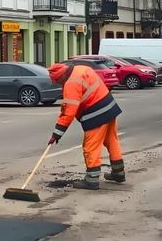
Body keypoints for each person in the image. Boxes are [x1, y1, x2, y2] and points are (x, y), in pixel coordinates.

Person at [47, 62, 125, 190]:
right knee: (111, 140)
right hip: (110, 106)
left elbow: (69, 112)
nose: (57, 84)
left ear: (61, 77)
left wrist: (57, 133)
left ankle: (91, 180)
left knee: (90, 147)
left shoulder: (71, 84)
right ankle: (118, 173)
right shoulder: (82, 69)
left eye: (57, 81)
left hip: (96, 114)